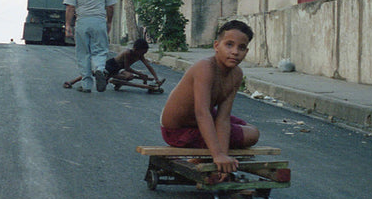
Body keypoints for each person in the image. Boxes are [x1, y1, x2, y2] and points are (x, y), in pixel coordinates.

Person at [159, 20, 260, 174]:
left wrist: (222, 155)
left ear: (246, 52)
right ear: (216, 46)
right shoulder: (205, 67)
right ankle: (203, 157)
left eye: (241, 47)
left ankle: (204, 156)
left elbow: (223, 117)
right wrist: (218, 155)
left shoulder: (236, 74)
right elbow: (202, 112)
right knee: (251, 135)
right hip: (178, 131)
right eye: (229, 45)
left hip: (205, 121)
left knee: (252, 131)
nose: (234, 52)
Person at [64, 0, 116, 92]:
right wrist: (109, 22)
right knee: (100, 49)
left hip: (82, 22)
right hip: (99, 21)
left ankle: (86, 85)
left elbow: (70, 7)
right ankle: (99, 69)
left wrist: (68, 25)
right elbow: (110, 6)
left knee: (83, 53)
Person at [63, 38, 161, 89]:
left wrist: (156, 78)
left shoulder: (140, 55)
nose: (143, 54)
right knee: (92, 73)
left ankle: (114, 80)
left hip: (118, 69)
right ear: (136, 49)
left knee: (130, 77)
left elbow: (148, 66)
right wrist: (140, 74)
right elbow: (127, 68)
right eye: (143, 52)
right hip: (111, 65)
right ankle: (71, 81)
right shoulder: (127, 53)